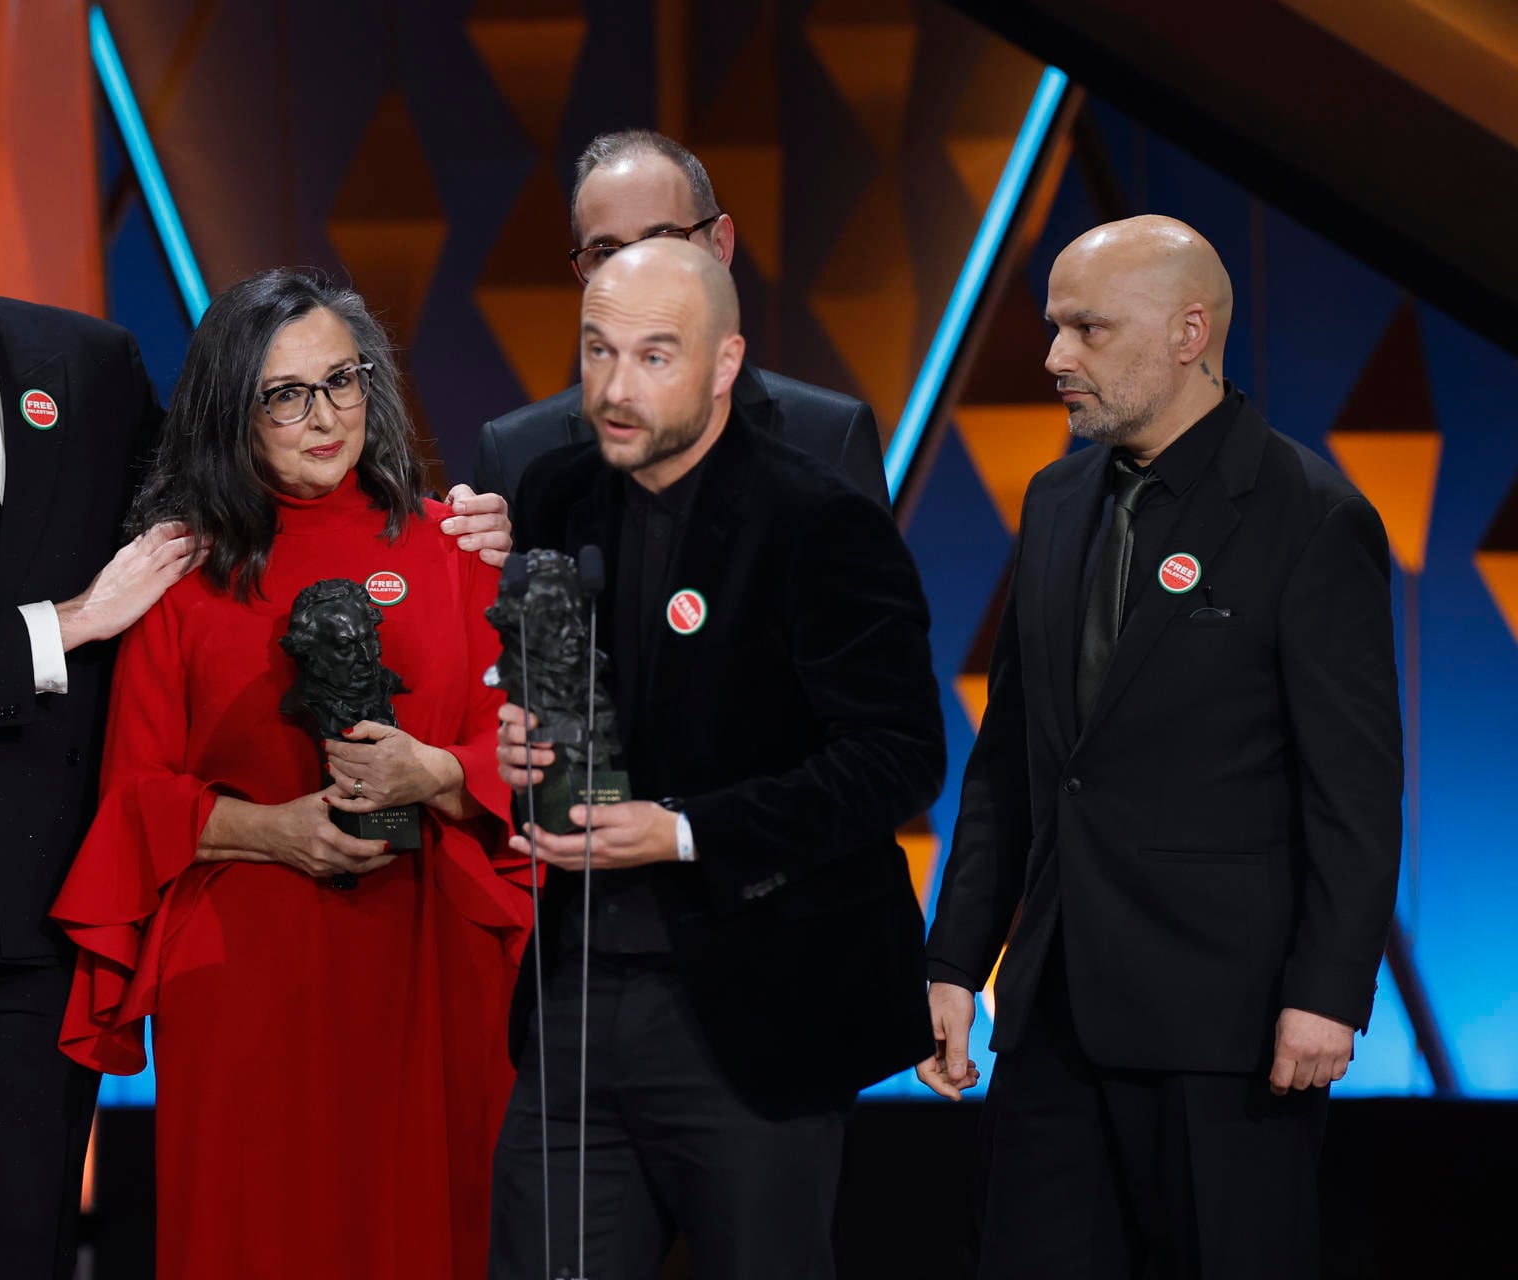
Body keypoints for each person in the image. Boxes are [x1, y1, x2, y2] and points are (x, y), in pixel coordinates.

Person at [0, 21, 514, 1278]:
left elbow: (238, 503)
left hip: (38, 908)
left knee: (20, 1247)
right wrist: (68, 625)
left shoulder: (89, 365)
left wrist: (452, 521)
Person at [916, 215, 1402, 1278]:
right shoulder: (1052, 501)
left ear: (1191, 333)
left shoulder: (1310, 516)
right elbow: (1013, 761)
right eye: (1054, 326)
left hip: (1227, 1031)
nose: (1055, 357)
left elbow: (1355, 788)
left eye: (1087, 328)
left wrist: (1328, 990)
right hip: (1051, 1019)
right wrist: (956, 957)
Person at [50, 269, 533, 1280]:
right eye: (286, 394)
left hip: (431, 965)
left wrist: (435, 770)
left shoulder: (455, 547)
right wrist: (275, 828)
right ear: (234, 410)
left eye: (344, 380)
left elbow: (529, 763)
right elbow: (134, 798)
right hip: (250, 982)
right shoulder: (183, 573)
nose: (326, 415)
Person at [490, 239, 944, 1279]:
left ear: (727, 362)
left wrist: (686, 828)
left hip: (755, 1002)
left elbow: (899, 756)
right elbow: (562, 689)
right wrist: (524, 740)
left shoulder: (818, 520)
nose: (615, 386)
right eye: (598, 351)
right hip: (576, 988)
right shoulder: (558, 493)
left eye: (655, 356)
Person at [473, 129, 892, 510]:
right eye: (605, 252)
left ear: (720, 245)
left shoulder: (831, 438)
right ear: (584, 276)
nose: (636, 270)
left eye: (663, 239)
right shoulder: (516, 458)